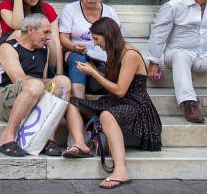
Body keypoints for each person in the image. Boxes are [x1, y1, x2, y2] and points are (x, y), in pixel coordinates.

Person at [67, 17, 162, 188]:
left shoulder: (130, 54)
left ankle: (120, 170)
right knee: (73, 103)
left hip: (137, 107)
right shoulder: (114, 53)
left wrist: (94, 74)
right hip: (116, 102)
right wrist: (95, 71)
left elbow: (120, 90)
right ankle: (81, 144)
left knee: (106, 115)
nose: (95, 44)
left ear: (108, 35)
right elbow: (114, 89)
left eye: (97, 39)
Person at [0, 13, 85, 158]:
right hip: (4, 100)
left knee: (64, 82)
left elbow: (46, 79)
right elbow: (19, 79)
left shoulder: (43, 49)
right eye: (45, 32)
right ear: (30, 30)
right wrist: (47, 83)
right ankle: (6, 137)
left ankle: (48, 138)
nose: (48, 37)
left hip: (34, 95)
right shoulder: (8, 48)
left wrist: (53, 80)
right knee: (35, 84)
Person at [147, 0, 207, 123]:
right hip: (178, 52)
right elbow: (158, 33)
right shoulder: (175, 5)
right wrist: (154, 62)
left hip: (204, 54)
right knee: (180, 56)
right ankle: (189, 104)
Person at [59, 0, 122, 98]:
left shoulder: (110, 12)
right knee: (78, 59)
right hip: (78, 51)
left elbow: (117, 39)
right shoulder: (70, 9)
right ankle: (79, 101)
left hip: (103, 54)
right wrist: (72, 46)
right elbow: (63, 37)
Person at [0, 0, 62, 71]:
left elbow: (56, 42)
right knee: (19, 32)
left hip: (39, 48)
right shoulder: (6, 5)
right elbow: (18, 25)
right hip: (15, 49)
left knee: (50, 40)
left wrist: (60, 72)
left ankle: (49, 72)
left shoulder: (47, 8)